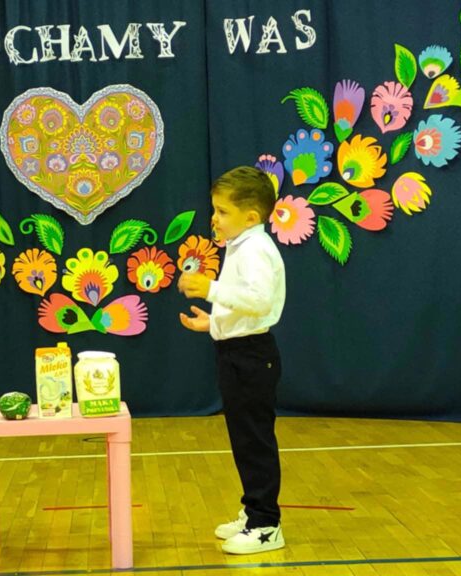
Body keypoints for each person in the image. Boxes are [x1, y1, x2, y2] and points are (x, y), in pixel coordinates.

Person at [178, 166, 287, 554]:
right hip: (239, 352)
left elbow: (259, 301)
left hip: (252, 357)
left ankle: (266, 524)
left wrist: (209, 288)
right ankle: (253, 511)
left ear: (251, 216)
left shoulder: (255, 249)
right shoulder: (242, 245)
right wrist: (214, 323)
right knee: (244, 439)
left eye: (223, 211)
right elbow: (245, 306)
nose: (215, 218)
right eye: (215, 209)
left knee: (254, 441)